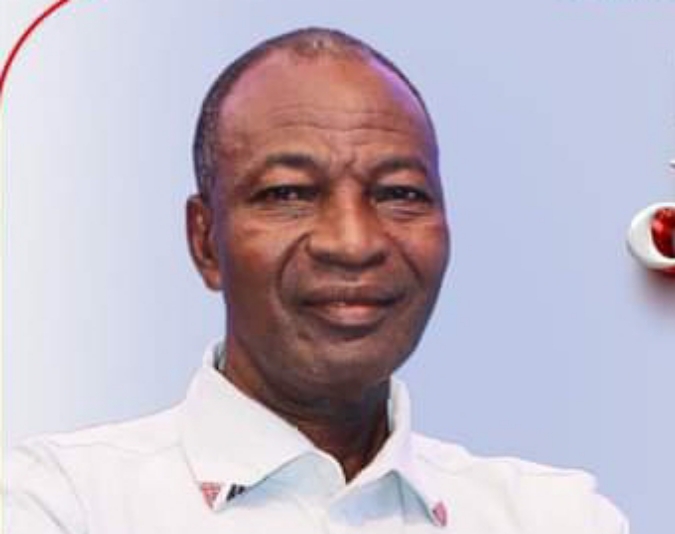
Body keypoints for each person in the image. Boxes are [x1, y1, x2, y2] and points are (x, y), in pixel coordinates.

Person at [4, 28, 629, 533]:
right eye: (288, 193)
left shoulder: (555, 518)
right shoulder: (59, 504)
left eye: (400, 193)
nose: (353, 244)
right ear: (205, 241)